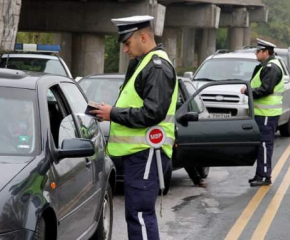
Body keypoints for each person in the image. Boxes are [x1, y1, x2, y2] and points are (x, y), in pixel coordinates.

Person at [90, 15, 178, 240]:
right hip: (139, 154)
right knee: (136, 214)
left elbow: (152, 113)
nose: (125, 50)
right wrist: (107, 112)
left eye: (127, 43)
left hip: (147, 151)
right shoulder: (143, 64)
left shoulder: (156, 67)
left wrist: (113, 113)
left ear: (143, 36)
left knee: (139, 214)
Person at [241, 38, 284, 187]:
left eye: (258, 51)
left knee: (265, 145)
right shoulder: (264, 66)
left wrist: (248, 92)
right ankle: (260, 174)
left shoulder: (271, 67)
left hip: (267, 114)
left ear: (266, 52)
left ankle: (265, 176)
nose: (256, 53)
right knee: (261, 145)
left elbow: (265, 90)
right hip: (262, 113)